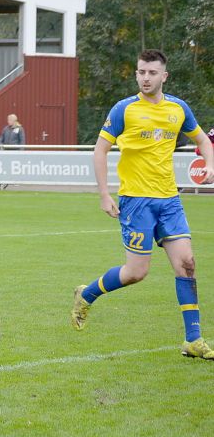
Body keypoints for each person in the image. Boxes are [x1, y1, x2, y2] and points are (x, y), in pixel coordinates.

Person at [70, 49, 214, 360]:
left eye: (151, 73)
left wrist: (210, 164)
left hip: (170, 201)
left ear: (164, 76)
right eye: (140, 72)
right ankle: (88, 294)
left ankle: (193, 339)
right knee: (136, 272)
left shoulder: (178, 109)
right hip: (136, 202)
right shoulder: (125, 109)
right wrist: (105, 194)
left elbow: (203, 140)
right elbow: (100, 150)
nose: (145, 78)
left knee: (187, 264)